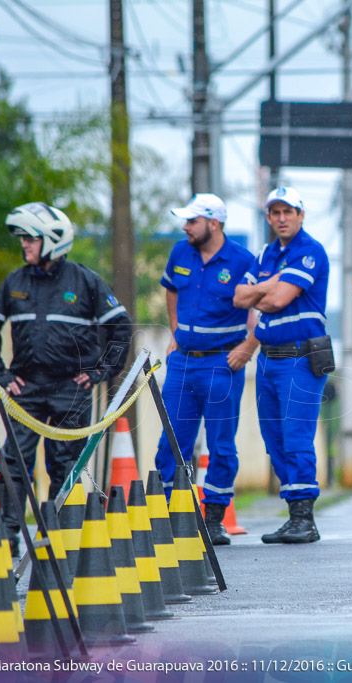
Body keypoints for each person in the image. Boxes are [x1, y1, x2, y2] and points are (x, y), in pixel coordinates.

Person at [0, 202, 131, 555]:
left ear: (52, 240)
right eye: (22, 239)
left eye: (30, 239)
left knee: (64, 463)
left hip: (70, 389)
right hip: (25, 388)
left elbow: (120, 327)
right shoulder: (14, 282)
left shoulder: (86, 280)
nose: (24, 246)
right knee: (14, 463)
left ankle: (61, 536)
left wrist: (101, 372)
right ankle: (9, 535)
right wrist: (0, 373)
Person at [154, 193, 258, 545]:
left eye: (192, 221)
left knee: (221, 446)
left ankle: (213, 518)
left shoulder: (244, 260)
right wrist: (174, 332)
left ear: (213, 223)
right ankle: (171, 514)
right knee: (171, 443)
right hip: (182, 363)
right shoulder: (180, 252)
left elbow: (265, 306)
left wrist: (248, 346)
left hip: (222, 363)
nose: (185, 227)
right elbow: (170, 290)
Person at [234, 187, 331, 544]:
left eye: (288, 211)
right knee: (274, 440)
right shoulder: (266, 253)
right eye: (275, 212)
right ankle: (294, 515)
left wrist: (263, 286)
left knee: (296, 438)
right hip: (269, 359)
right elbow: (239, 297)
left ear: (300, 215)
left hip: (300, 358)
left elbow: (274, 301)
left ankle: (305, 519)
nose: (281, 218)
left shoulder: (310, 251)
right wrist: (272, 282)